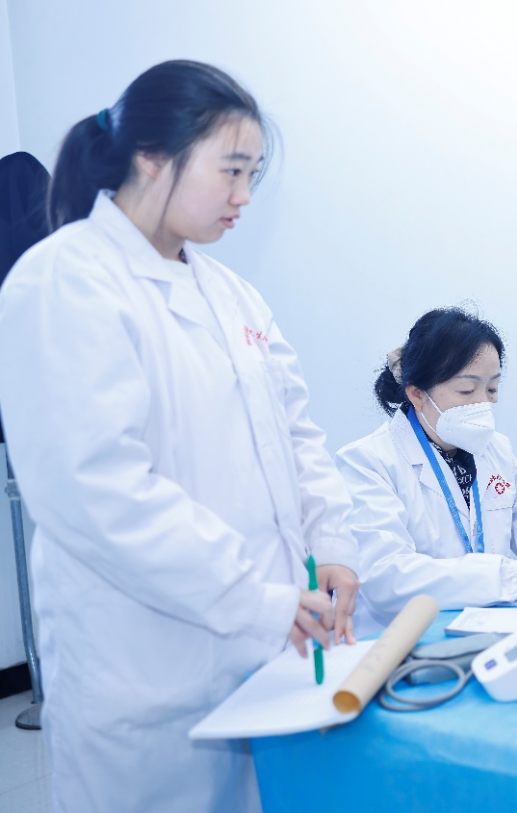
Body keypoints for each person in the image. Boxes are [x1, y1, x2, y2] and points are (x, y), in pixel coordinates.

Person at [0, 61, 360, 812]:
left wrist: (331, 544)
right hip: (145, 677)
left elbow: (297, 435)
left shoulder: (232, 295)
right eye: (231, 170)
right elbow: (98, 490)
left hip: (257, 650)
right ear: (150, 156)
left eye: (253, 175)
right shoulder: (63, 279)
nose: (244, 196)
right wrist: (250, 596)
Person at [336, 307, 517, 633]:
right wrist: (514, 578)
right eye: (466, 390)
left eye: (492, 389)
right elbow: (387, 579)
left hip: (484, 628)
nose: (482, 404)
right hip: (399, 642)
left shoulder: (494, 450)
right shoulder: (368, 461)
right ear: (417, 394)